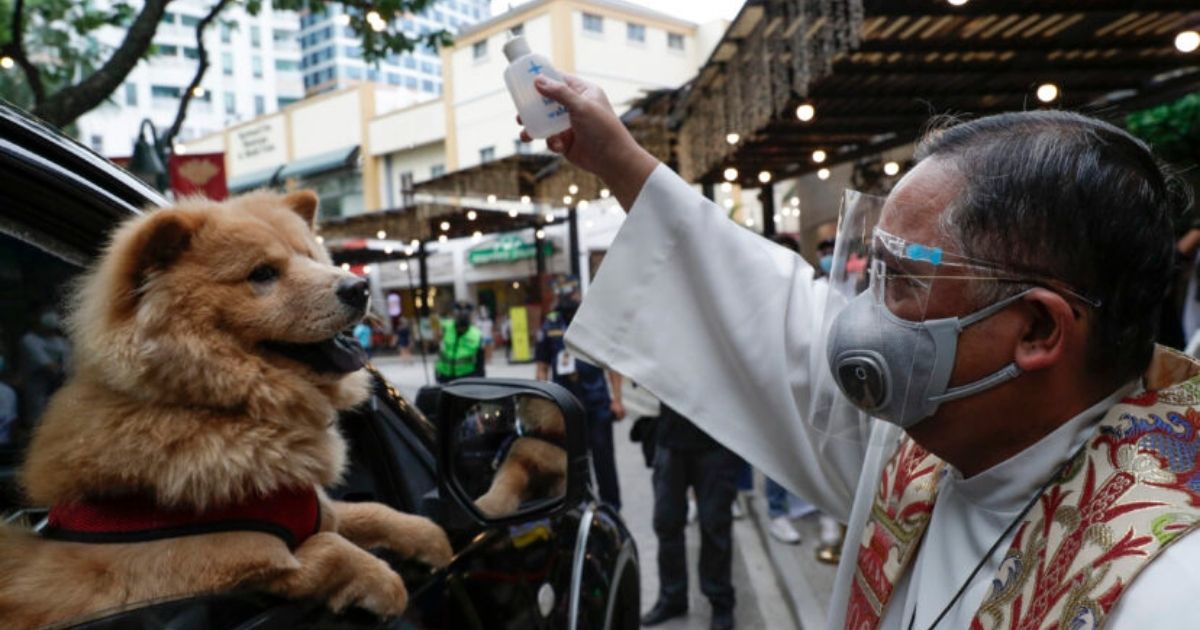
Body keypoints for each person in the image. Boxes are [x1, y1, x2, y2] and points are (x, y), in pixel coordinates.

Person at [526, 73, 1197, 628]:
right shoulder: (924, 444)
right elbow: (766, 307)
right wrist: (617, 158)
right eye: (872, 271)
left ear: (1037, 331)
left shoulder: (1161, 590)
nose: (861, 319)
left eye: (902, 281)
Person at [643, 404, 739, 630]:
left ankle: (720, 601)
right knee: (667, 523)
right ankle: (672, 597)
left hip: (716, 440)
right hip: (670, 438)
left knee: (715, 525)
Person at [535, 275, 625, 510]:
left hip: (596, 404)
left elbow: (612, 365)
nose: (568, 298)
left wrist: (617, 400)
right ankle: (583, 507)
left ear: (578, 293)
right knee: (575, 461)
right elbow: (542, 366)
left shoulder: (593, 321)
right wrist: (543, 401)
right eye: (562, 294)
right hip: (566, 407)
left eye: (571, 293)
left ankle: (612, 508)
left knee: (604, 459)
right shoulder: (550, 325)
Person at [18, 309, 69, 427]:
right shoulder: (29, 340)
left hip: (58, 387)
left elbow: (69, 365)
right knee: (37, 420)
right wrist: (61, 369)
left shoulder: (61, 342)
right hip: (36, 388)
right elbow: (49, 366)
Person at [434, 301, 485, 383]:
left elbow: (480, 362)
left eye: (466, 313)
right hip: (444, 376)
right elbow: (435, 339)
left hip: (467, 376)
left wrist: (479, 380)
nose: (462, 315)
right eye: (459, 312)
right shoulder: (445, 327)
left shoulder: (477, 334)